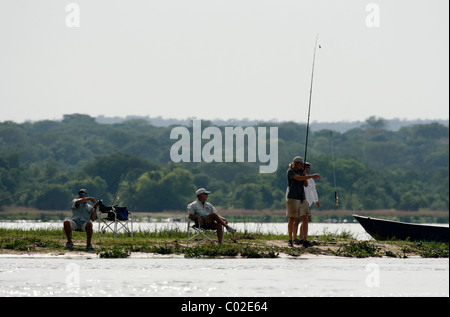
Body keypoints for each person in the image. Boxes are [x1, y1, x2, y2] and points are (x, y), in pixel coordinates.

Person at [286, 156, 320, 247]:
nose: (300, 166)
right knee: (292, 219)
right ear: (295, 163)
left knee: (305, 218)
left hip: (302, 198)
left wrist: (305, 175)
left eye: (301, 164)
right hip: (293, 198)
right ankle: (290, 240)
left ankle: (305, 240)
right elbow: (297, 178)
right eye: (299, 164)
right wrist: (311, 176)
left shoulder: (302, 173)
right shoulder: (290, 171)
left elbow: (305, 184)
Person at [297, 161, 320, 247]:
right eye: (306, 167)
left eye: (308, 168)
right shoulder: (299, 177)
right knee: (297, 221)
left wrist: (316, 200)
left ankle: (302, 237)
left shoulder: (311, 180)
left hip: (307, 203)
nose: (307, 169)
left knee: (305, 220)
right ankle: (297, 238)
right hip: (299, 201)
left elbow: (314, 191)